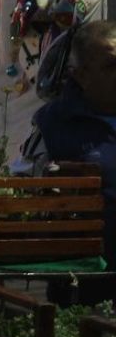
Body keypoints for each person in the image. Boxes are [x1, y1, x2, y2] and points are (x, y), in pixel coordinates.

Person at [29, 20, 116, 303]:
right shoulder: (53, 124)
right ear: (81, 75)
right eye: (111, 66)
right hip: (84, 280)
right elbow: (30, 189)